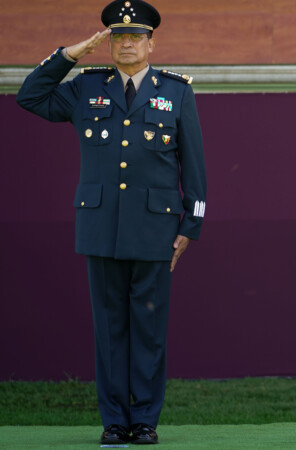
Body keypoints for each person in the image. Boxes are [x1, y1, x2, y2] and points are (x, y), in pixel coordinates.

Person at [16, 0, 206, 444]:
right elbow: (30, 96)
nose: (126, 45)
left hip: (156, 229)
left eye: (135, 37)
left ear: (151, 44)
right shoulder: (86, 87)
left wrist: (190, 225)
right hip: (101, 227)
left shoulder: (176, 91)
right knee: (109, 330)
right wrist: (70, 54)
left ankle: (144, 420)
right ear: (108, 45)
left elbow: (193, 166)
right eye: (118, 38)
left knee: (149, 330)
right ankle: (114, 421)